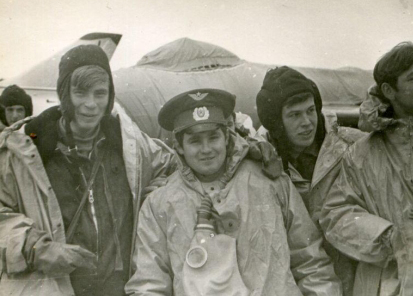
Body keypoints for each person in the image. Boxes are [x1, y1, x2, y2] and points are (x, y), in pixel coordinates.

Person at [125, 88, 342, 296]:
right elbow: (149, 284)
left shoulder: (269, 183)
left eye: (213, 137)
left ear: (227, 138)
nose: (206, 149)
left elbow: (311, 262)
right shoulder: (159, 204)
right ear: (179, 146)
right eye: (195, 141)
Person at [0, 45, 175, 296]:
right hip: (52, 286)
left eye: (100, 93)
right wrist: (34, 247)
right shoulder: (25, 151)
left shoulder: (130, 146)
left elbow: (173, 167)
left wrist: (154, 194)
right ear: (64, 93)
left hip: (118, 288)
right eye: (80, 92)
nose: (91, 104)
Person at [320, 42, 413, 296]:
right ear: (389, 90)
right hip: (388, 284)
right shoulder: (361, 154)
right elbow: (336, 214)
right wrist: (390, 238)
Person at [255, 66, 365, 296]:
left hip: (358, 273)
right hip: (303, 281)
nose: (307, 122)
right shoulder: (261, 162)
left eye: (310, 110)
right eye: (294, 115)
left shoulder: (353, 147)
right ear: (276, 121)